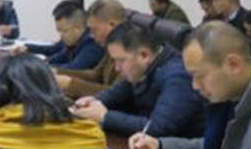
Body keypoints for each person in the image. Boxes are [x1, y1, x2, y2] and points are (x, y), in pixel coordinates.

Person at [71, 22, 205, 138]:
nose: (117, 68)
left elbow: (158, 128)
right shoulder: (145, 66)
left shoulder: (177, 76)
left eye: (121, 61)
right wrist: (96, 101)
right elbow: (122, 89)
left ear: (144, 55)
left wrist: (105, 117)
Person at [55, 0, 125, 98]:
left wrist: (70, 84)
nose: (91, 35)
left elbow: (117, 94)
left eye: (94, 30)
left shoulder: (130, 51)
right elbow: (96, 75)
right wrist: (57, 72)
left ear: (112, 25)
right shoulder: (111, 46)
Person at [20, 1, 103, 70]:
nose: (61, 35)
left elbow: (73, 68)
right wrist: (39, 64)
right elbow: (59, 57)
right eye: (59, 31)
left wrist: (41, 67)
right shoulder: (74, 43)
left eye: (64, 31)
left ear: (77, 28)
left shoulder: (92, 43)